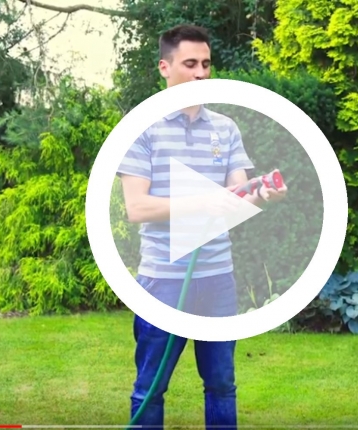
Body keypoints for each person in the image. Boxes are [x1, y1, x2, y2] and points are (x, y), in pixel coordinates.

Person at [116, 24, 287, 430]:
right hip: (163, 280)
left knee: (222, 385)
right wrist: (204, 202)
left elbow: (236, 199)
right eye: (190, 63)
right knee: (150, 387)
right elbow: (137, 208)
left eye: (206, 64)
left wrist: (263, 194)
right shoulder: (141, 128)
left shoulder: (225, 128)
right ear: (164, 67)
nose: (201, 73)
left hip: (217, 279)